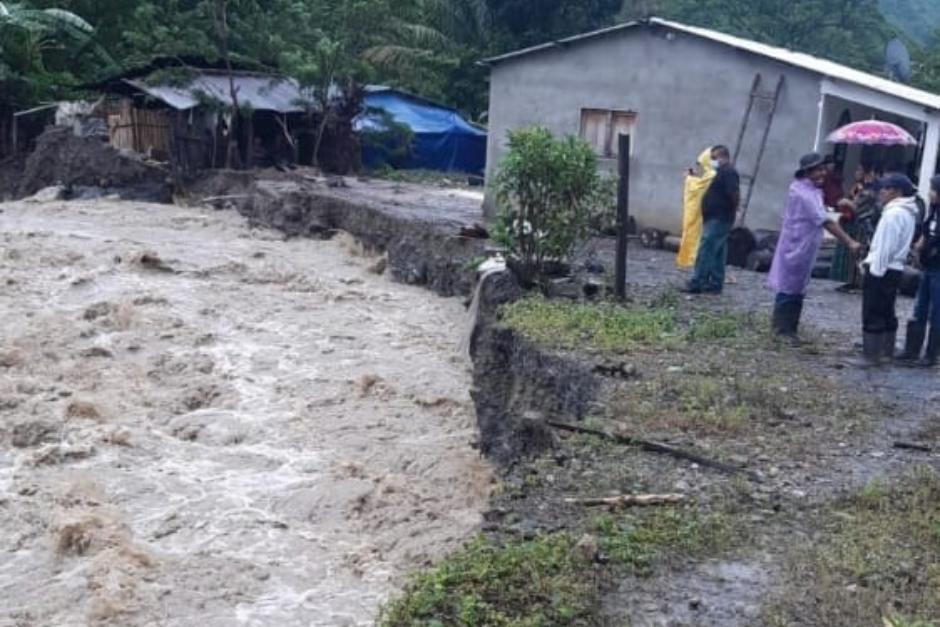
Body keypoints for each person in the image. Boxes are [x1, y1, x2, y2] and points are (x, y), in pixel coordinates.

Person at [768, 153, 861, 340]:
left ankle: (789, 328)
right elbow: (825, 221)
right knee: (789, 287)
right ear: (807, 172)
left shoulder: (806, 189)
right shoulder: (804, 194)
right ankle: (782, 330)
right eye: (817, 170)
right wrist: (849, 241)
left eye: (823, 169)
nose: (822, 173)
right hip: (797, 245)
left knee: (797, 287)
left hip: (803, 244)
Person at [857, 173, 919, 366]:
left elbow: (886, 246)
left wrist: (875, 270)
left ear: (897, 191)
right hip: (895, 268)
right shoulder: (907, 212)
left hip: (883, 267)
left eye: (886, 188)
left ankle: (872, 355)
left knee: (873, 311)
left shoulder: (893, 214)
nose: (881, 192)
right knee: (886, 310)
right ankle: (886, 350)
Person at [684, 145, 739, 294]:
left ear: (722, 157)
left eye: (714, 158)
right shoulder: (719, 173)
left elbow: (733, 194)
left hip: (720, 217)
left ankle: (697, 282)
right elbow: (705, 183)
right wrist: (694, 176)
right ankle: (715, 283)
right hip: (716, 217)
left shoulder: (728, 172)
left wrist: (733, 211)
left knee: (706, 249)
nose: (712, 161)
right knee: (718, 252)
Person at [898, 175, 940, 367]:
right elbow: (926, 231)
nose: (930, 193)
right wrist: (919, 246)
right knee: (920, 307)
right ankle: (912, 349)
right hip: (927, 267)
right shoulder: (933, 211)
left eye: (933, 190)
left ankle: (931, 355)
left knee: (937, 312)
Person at [676, 147, 716, 268]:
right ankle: (692, 258)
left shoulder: (712, 174)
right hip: (706, 210)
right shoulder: (710, 174)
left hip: (703, 211)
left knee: (696, 234)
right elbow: (702, 184)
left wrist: (689, 178)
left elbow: (698, 188)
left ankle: (692, 258)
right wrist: (693, 177)